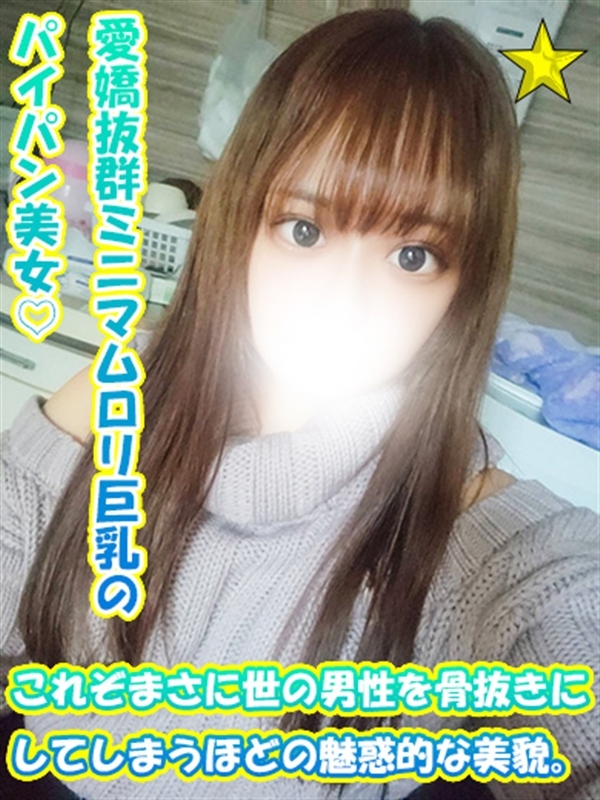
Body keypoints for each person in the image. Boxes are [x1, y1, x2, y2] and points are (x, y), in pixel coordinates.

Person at [1, 8, 598, 800]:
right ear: (241, 220)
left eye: (413, 255)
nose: (344, 301)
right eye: (305, 231)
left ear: (464, 288)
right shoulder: (123, 396)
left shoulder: (483, 541)